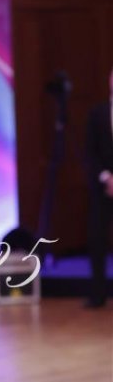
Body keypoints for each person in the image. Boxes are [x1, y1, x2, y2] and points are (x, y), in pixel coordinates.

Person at [84, 67, 113, 308]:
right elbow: (90, 152)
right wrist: (106, 177)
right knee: (97, 239)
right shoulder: (97, 113)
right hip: (103, 188)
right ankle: (98, 294)